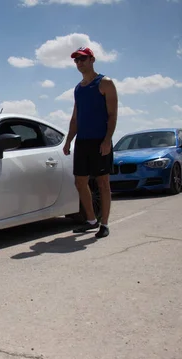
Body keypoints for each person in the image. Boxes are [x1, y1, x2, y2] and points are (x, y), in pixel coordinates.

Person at [62, 47, 118, 239]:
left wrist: (107, 140)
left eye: (83, 59)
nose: (79, 63)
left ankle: (105, 224)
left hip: (100, 141)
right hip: (82, 142)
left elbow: (112, 115)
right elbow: (75, 118)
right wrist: (68, 140)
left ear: (92, 59)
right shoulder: (78, 88)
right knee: (80, 181)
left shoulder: (105, 83)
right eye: (76, 61)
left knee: (103, 182)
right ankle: (91, 221)